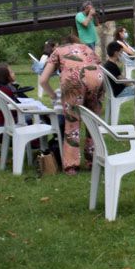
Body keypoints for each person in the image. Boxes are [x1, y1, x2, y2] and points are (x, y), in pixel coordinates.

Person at [39, 34, 106, 173]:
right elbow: (98, 64)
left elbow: (43, 80)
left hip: (73, 81)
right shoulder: (87, 48)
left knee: (72, 123)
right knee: (93, 122)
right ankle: (94, 160)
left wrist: (53, 95)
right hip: (97, 79)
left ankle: (71, 166)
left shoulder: (57, 51)